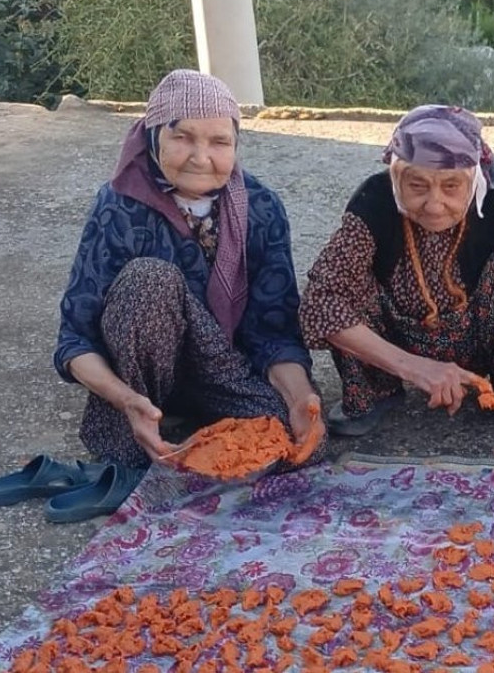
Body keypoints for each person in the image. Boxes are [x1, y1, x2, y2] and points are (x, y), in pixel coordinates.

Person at [48, 69, 321, 521]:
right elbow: (74, 342)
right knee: (149, 280)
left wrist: (298, 399)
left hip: (224, 369)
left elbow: (274, 331)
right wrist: (126, 399)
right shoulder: (119, 205)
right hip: (138, 381)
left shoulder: (262, 207)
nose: (201, 157)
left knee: (292, 443)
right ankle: (141, 427)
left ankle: (197, 422)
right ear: (153, 137)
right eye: (183, 138)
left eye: (219, 142)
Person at [300, 105, 494, 434]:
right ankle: (373, 390)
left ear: (473, 181)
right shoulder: (375, 202)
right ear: (396, 177)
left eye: (451, 186)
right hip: (394, 341)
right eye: (417, 186)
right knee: (343, 280)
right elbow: (318, 303)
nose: (435, 205)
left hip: (480, 340)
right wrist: (414, 367)